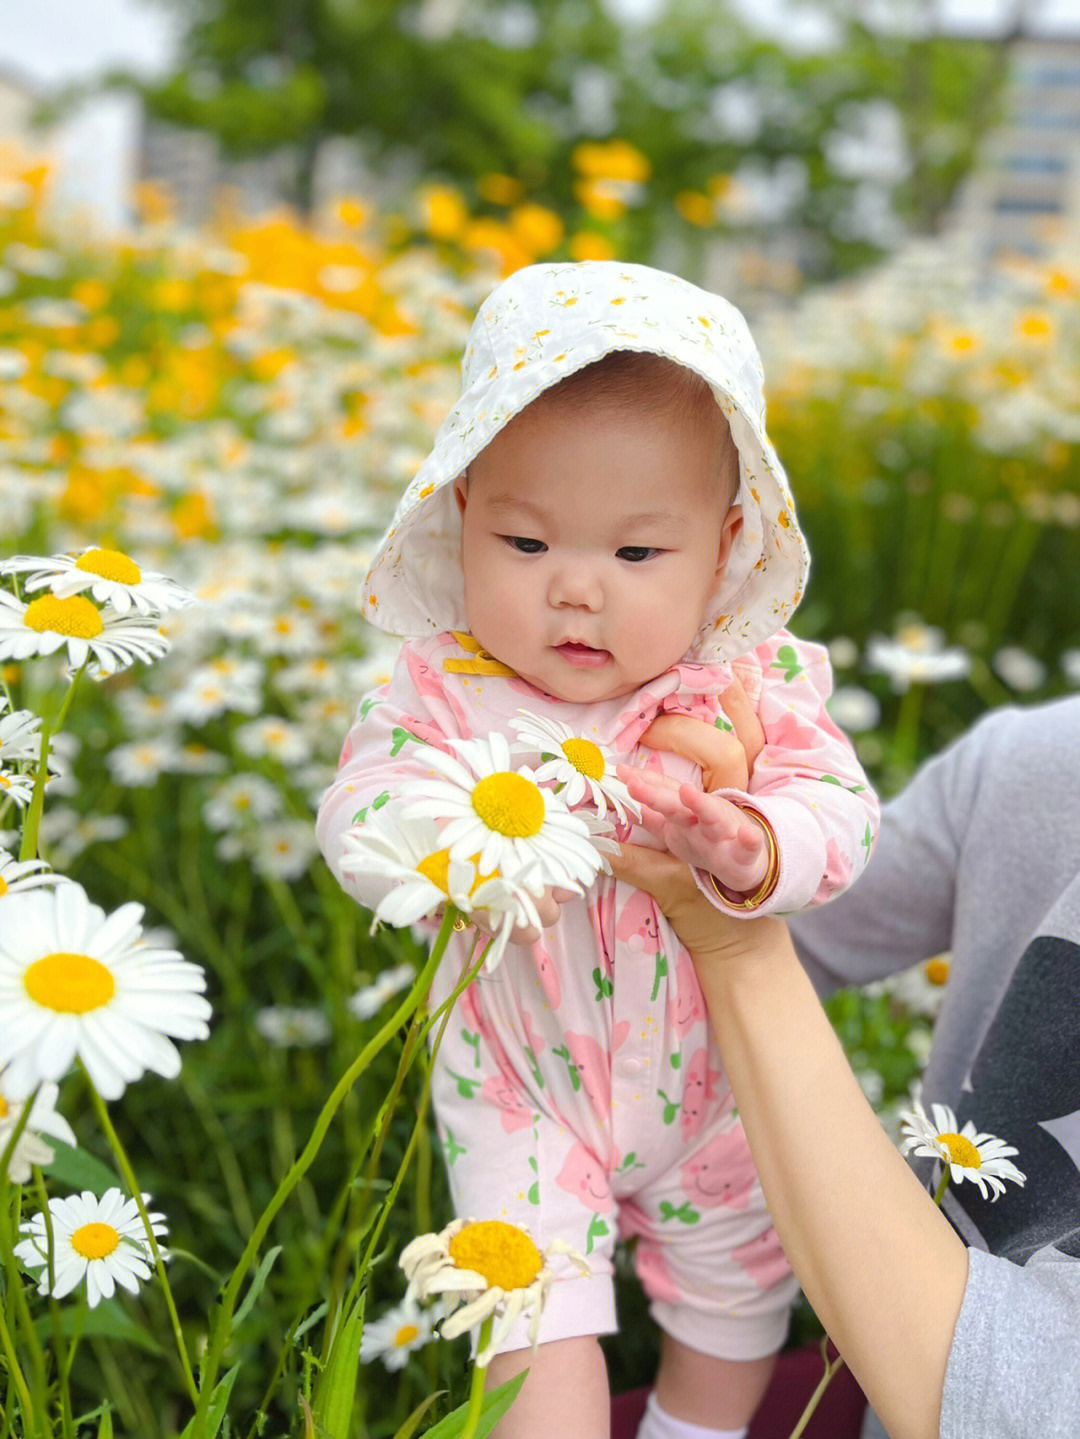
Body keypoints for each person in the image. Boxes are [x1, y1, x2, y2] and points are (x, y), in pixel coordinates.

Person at [317, 260, 880, 1439]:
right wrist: (444, 845)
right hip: (519, 1084)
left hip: (717, 1086)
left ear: (724, 548)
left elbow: (843, 810)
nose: (576, 591)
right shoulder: (447, 692)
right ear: (462, 511)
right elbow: (360, 802)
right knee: (528, 1315)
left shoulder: (749, 687)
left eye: (636, 557)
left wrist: (758, 836)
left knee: (736, 1312)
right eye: (525, 543)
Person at [614, 695, 1080, 1439]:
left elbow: (1012, 1413)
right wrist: (763, 831)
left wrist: (733, 941)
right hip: (868, 1358)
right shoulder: (1041, 764)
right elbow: (798, 922)